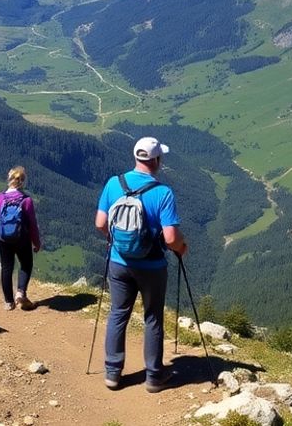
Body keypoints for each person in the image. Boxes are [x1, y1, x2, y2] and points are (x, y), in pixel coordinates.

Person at [94, 137, 187, 393]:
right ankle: (154, 377)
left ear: (137, 157)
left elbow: (100, 223)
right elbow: (170, 238)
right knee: (153, 318)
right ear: (156, 160)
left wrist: (115, 242)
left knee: (118, 313)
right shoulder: (162, 192)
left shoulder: (114, 183)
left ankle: (112, 373)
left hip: (118, 262)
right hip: (152, 266)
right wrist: (182, 247)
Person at [0, 165, 42, 311]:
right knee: (26, 264)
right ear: (23, 182)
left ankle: (8, 302)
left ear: (9, 180)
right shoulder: (26, 200)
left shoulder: (0, 198)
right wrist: (36, 243)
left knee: (6, 268)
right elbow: (33, 225)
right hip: (22, 238)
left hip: (3, 239)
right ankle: (20, 293)